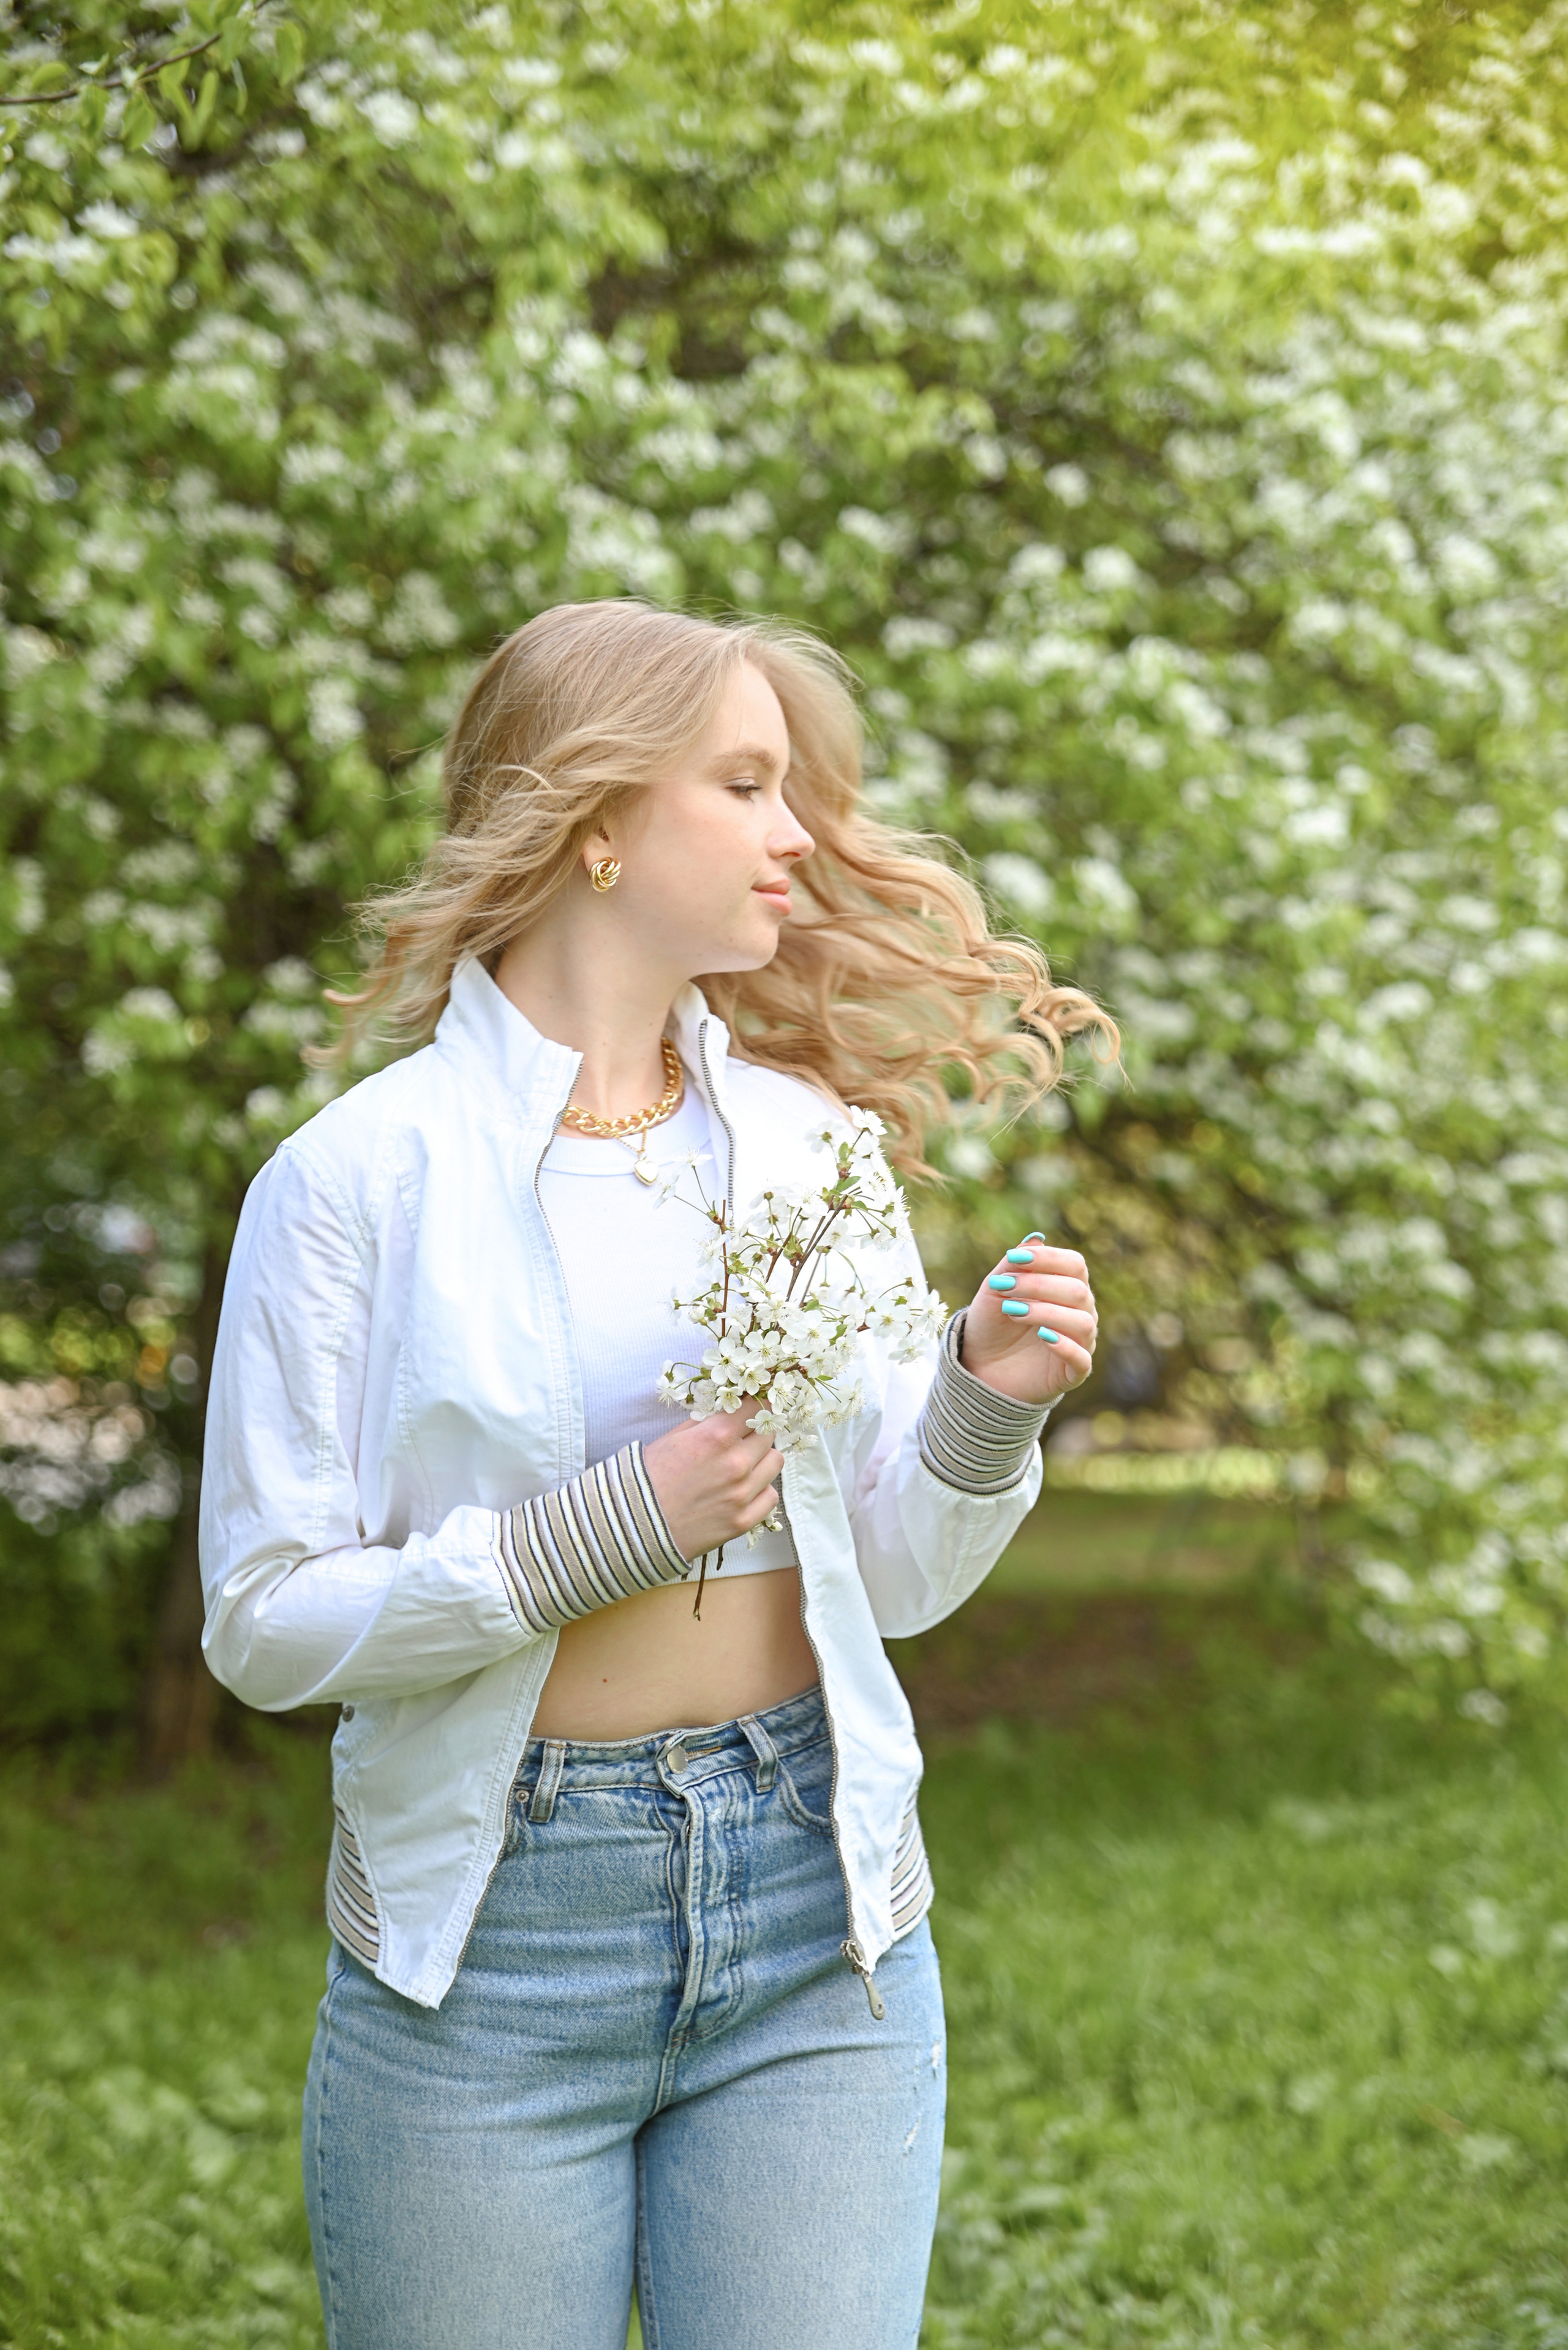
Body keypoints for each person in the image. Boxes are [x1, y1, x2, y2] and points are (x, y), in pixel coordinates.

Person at [199, 601, 1113, 2350]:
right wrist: (596, 1539)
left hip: (814, 1917)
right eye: (748, 785)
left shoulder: (812, 1150)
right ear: (598, 821)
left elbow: (891, 1580)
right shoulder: (353, 1184)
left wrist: (986, 1406)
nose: (797, 838)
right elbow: (258, 1620)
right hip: (494, 1945)